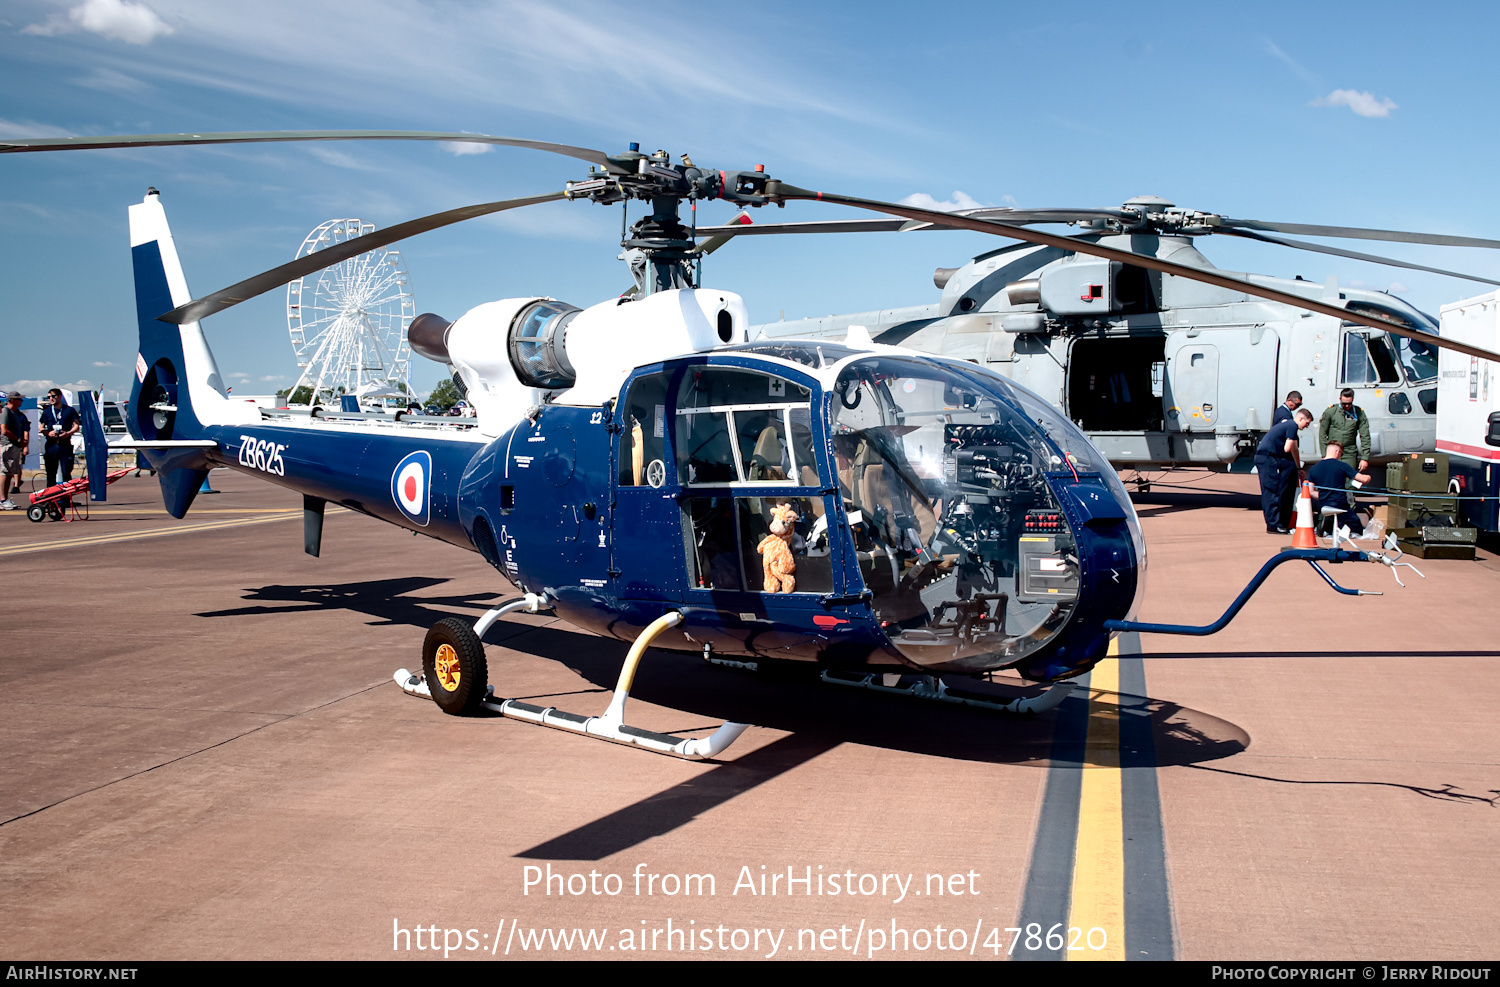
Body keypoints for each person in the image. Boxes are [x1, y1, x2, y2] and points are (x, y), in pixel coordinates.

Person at [1255, 407, 1312, 533]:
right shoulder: (1292, 425)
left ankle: (1276, 523)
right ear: (1301, 418)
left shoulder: (1288, 425)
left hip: (1266, 457)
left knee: (1272, 490)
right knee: (1271, 491)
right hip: (1268, 458)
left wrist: (1297, 467)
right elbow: (1288, 448)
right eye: (1307, 423)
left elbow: (1294, 450)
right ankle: (1273, 524)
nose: (1306, 426)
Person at [1307, 441, 1371, 536]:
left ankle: (1325, 523)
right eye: (1341, 453)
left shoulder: (1314, 468)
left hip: (1323, 504)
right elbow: (1363, 479)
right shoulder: (1341, 466)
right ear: (1337, 452)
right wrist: (1368, 477)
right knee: (1356, 527)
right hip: (1339, 504)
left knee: (1331, 527)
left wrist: (1323, 496)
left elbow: (1311, 491)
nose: (1340, 456)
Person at [1318, 388, 1371, 473]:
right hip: (1333, 451)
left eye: (1349, 404)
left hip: (1349, 452)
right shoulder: (1331, 411)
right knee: (1333, 477)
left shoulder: (1358, 413)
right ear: (1340, 399)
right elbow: (1322, 433)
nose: (1346, 406)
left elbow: (1365, 436)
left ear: (1353, 400)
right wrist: (1325, 454)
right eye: (1344, 403)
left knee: (1349, 479)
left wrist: (1365, 458)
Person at [39, 388, 80, 491]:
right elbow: (41, 427)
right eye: (49, 397)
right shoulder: (47, 411)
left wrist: (68, 433)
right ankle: (51, 498)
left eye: (53, 396)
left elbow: (76, 426)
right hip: (51, 445)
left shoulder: (69, 410)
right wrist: (48, 433)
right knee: (51, 473)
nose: (51, 399)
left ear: (59, 396)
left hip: (65, 444)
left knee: (66, 472)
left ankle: (67, 499)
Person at [0, 390, 30, 510]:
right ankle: (2, 499)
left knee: (9, 472)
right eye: (19, 399)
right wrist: (18, 440)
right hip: (7, 445)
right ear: (12, 400)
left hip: (14, 445)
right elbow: (4, 430)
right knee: (4, 472)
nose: (21, 401)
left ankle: (5, 499)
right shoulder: (6, 412)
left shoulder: (16, 413)